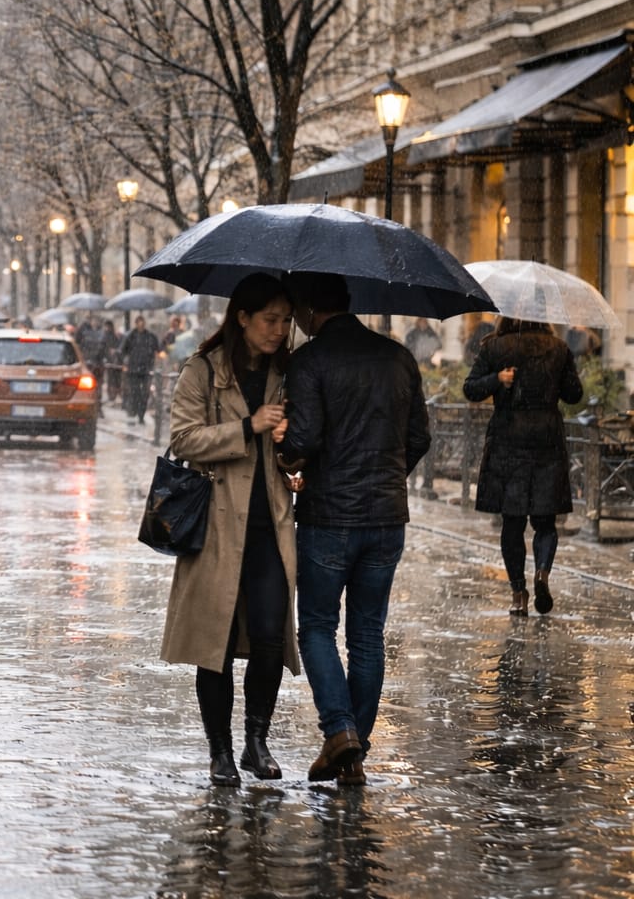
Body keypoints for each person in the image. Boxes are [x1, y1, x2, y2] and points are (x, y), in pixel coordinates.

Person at [278, 272, 430, 787]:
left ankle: (340, 731)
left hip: (328, 517)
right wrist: (385, 477)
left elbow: (305, 438)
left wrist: (287, 456)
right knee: (367, 633)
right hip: (387, 518)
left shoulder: (310, 360)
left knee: (317, 627)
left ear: (309, 310)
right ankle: (353, 753)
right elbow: (420, 437)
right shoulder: (397, 357)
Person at [161, 273, 300, 787]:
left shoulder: (291, 370)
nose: (279, 330)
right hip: (217, 526)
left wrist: (293, 440)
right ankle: (219, 751)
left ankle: (255, 741)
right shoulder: (203, 370)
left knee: (269, 639)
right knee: (213, 643)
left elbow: (303, 444)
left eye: (286, 320)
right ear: (241, 318)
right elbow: (183, 439)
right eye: (269, 320)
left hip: (270, 526)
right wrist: (249, 427)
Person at [462, 318, 583, 615]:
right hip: (547, 443)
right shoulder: (559, 348)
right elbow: (574, 394)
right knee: (545, 521)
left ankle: (519, 593)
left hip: (508, 442)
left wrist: (497, 380)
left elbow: (470, 389)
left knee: (513, 523)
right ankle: (542, 571)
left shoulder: (495, 346)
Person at [120, 315, 161, 423]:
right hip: (133, 369)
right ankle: (133, 411)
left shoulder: (150, 337)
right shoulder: (131, 336)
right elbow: (123, 350)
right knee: (135, 392)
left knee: (144, 393)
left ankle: (141, 414)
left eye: (142, 322)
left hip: (145, 369)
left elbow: (157, 350)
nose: (141, 325)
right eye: (139, 322)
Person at [100, 318, 123, 403]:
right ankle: (113, 395)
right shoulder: (110, 336)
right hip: (111, 361)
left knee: (113, 379)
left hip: (112, 361)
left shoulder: (108, 336)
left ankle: (113, 395)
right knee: (112, 379)